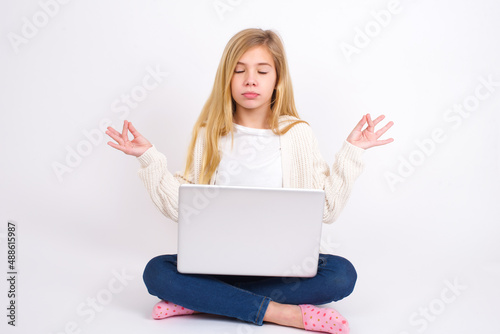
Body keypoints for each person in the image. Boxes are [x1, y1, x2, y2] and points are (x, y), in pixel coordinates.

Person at [105, 28, 393, 334]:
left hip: (280, 269)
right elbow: (182, 206)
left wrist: (352, 153)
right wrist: (149, 157)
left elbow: (328, 210)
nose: (250, 80)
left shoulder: (297, 134)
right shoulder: (209, 134)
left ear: (277, 80)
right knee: (156, 272)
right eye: (239, 70)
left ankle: (204, 300)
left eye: (262, 71)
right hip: (216, 265)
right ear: (227, 79)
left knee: (340, 274)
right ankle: (283, 314)